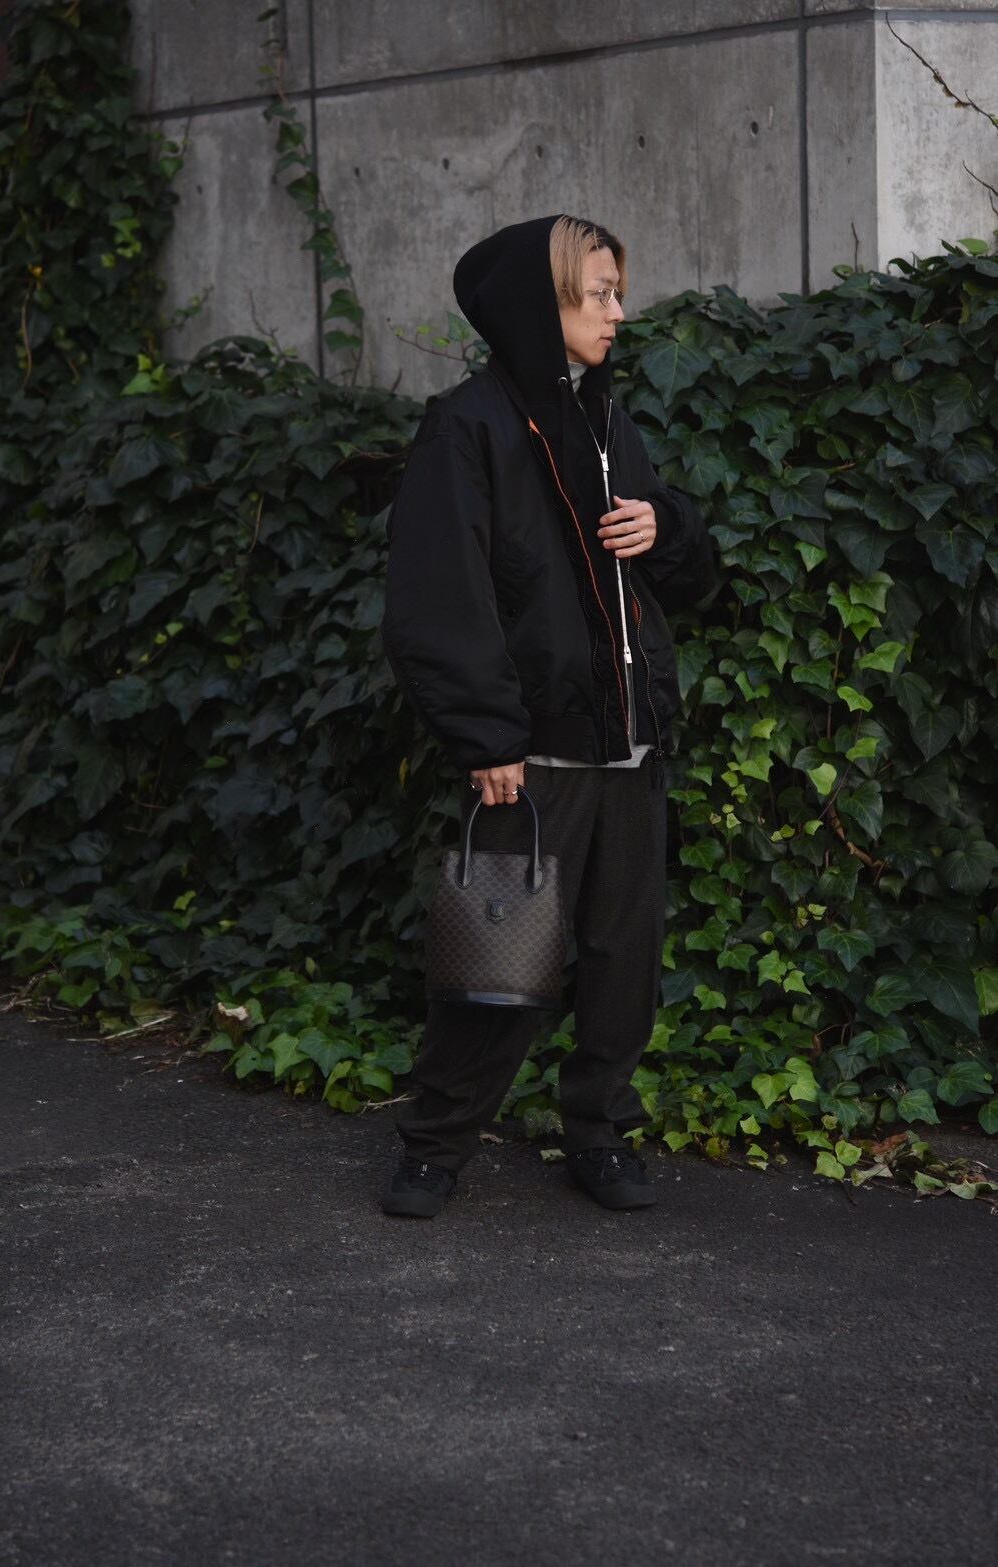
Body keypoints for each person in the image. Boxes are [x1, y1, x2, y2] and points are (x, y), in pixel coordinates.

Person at [379, 214, 716, 1218]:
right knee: (501, 955)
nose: (618, 313)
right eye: (598, 293)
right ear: (545, 301)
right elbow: (438, 592)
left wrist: (666, 526)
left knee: (624, 959)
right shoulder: (469, 427)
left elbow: (684, 579)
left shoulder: (610, 423)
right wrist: (487, 735)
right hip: (534, 753)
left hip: (630, 742)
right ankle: (436, 1144)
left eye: (618, 292)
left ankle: (598, 1135)